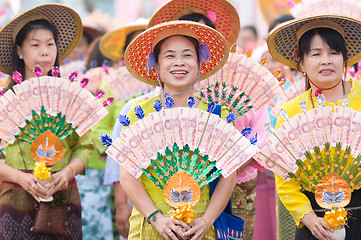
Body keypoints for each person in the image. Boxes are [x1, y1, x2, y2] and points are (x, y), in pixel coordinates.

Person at [120, 20, 234, 240]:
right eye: (170, 56)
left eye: (188, 55)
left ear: (200, 63)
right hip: (149, 226)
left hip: (200, 229)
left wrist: (206, 221)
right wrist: (156, 218)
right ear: (156, 65)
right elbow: (127, 175)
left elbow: (228, 176)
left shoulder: (217, 114)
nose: (179, 63)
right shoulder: (139, 113)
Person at [0, 4, 93, 240]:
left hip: (64, 194)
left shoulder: (71, 95)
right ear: (19, 50)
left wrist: (68, 172)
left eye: (50, 44)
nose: (44, 52)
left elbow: (85, 147)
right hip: (15, 195)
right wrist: (22, 177)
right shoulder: (4, 98)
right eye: (35, 44)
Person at [267, 14, 361, 239]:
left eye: (333, 53)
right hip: (314, 223)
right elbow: (285, 177)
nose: (326, 60)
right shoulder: (291, 112)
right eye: (316, 54)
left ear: (344, 59)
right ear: (301, 63)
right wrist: (308, 217)